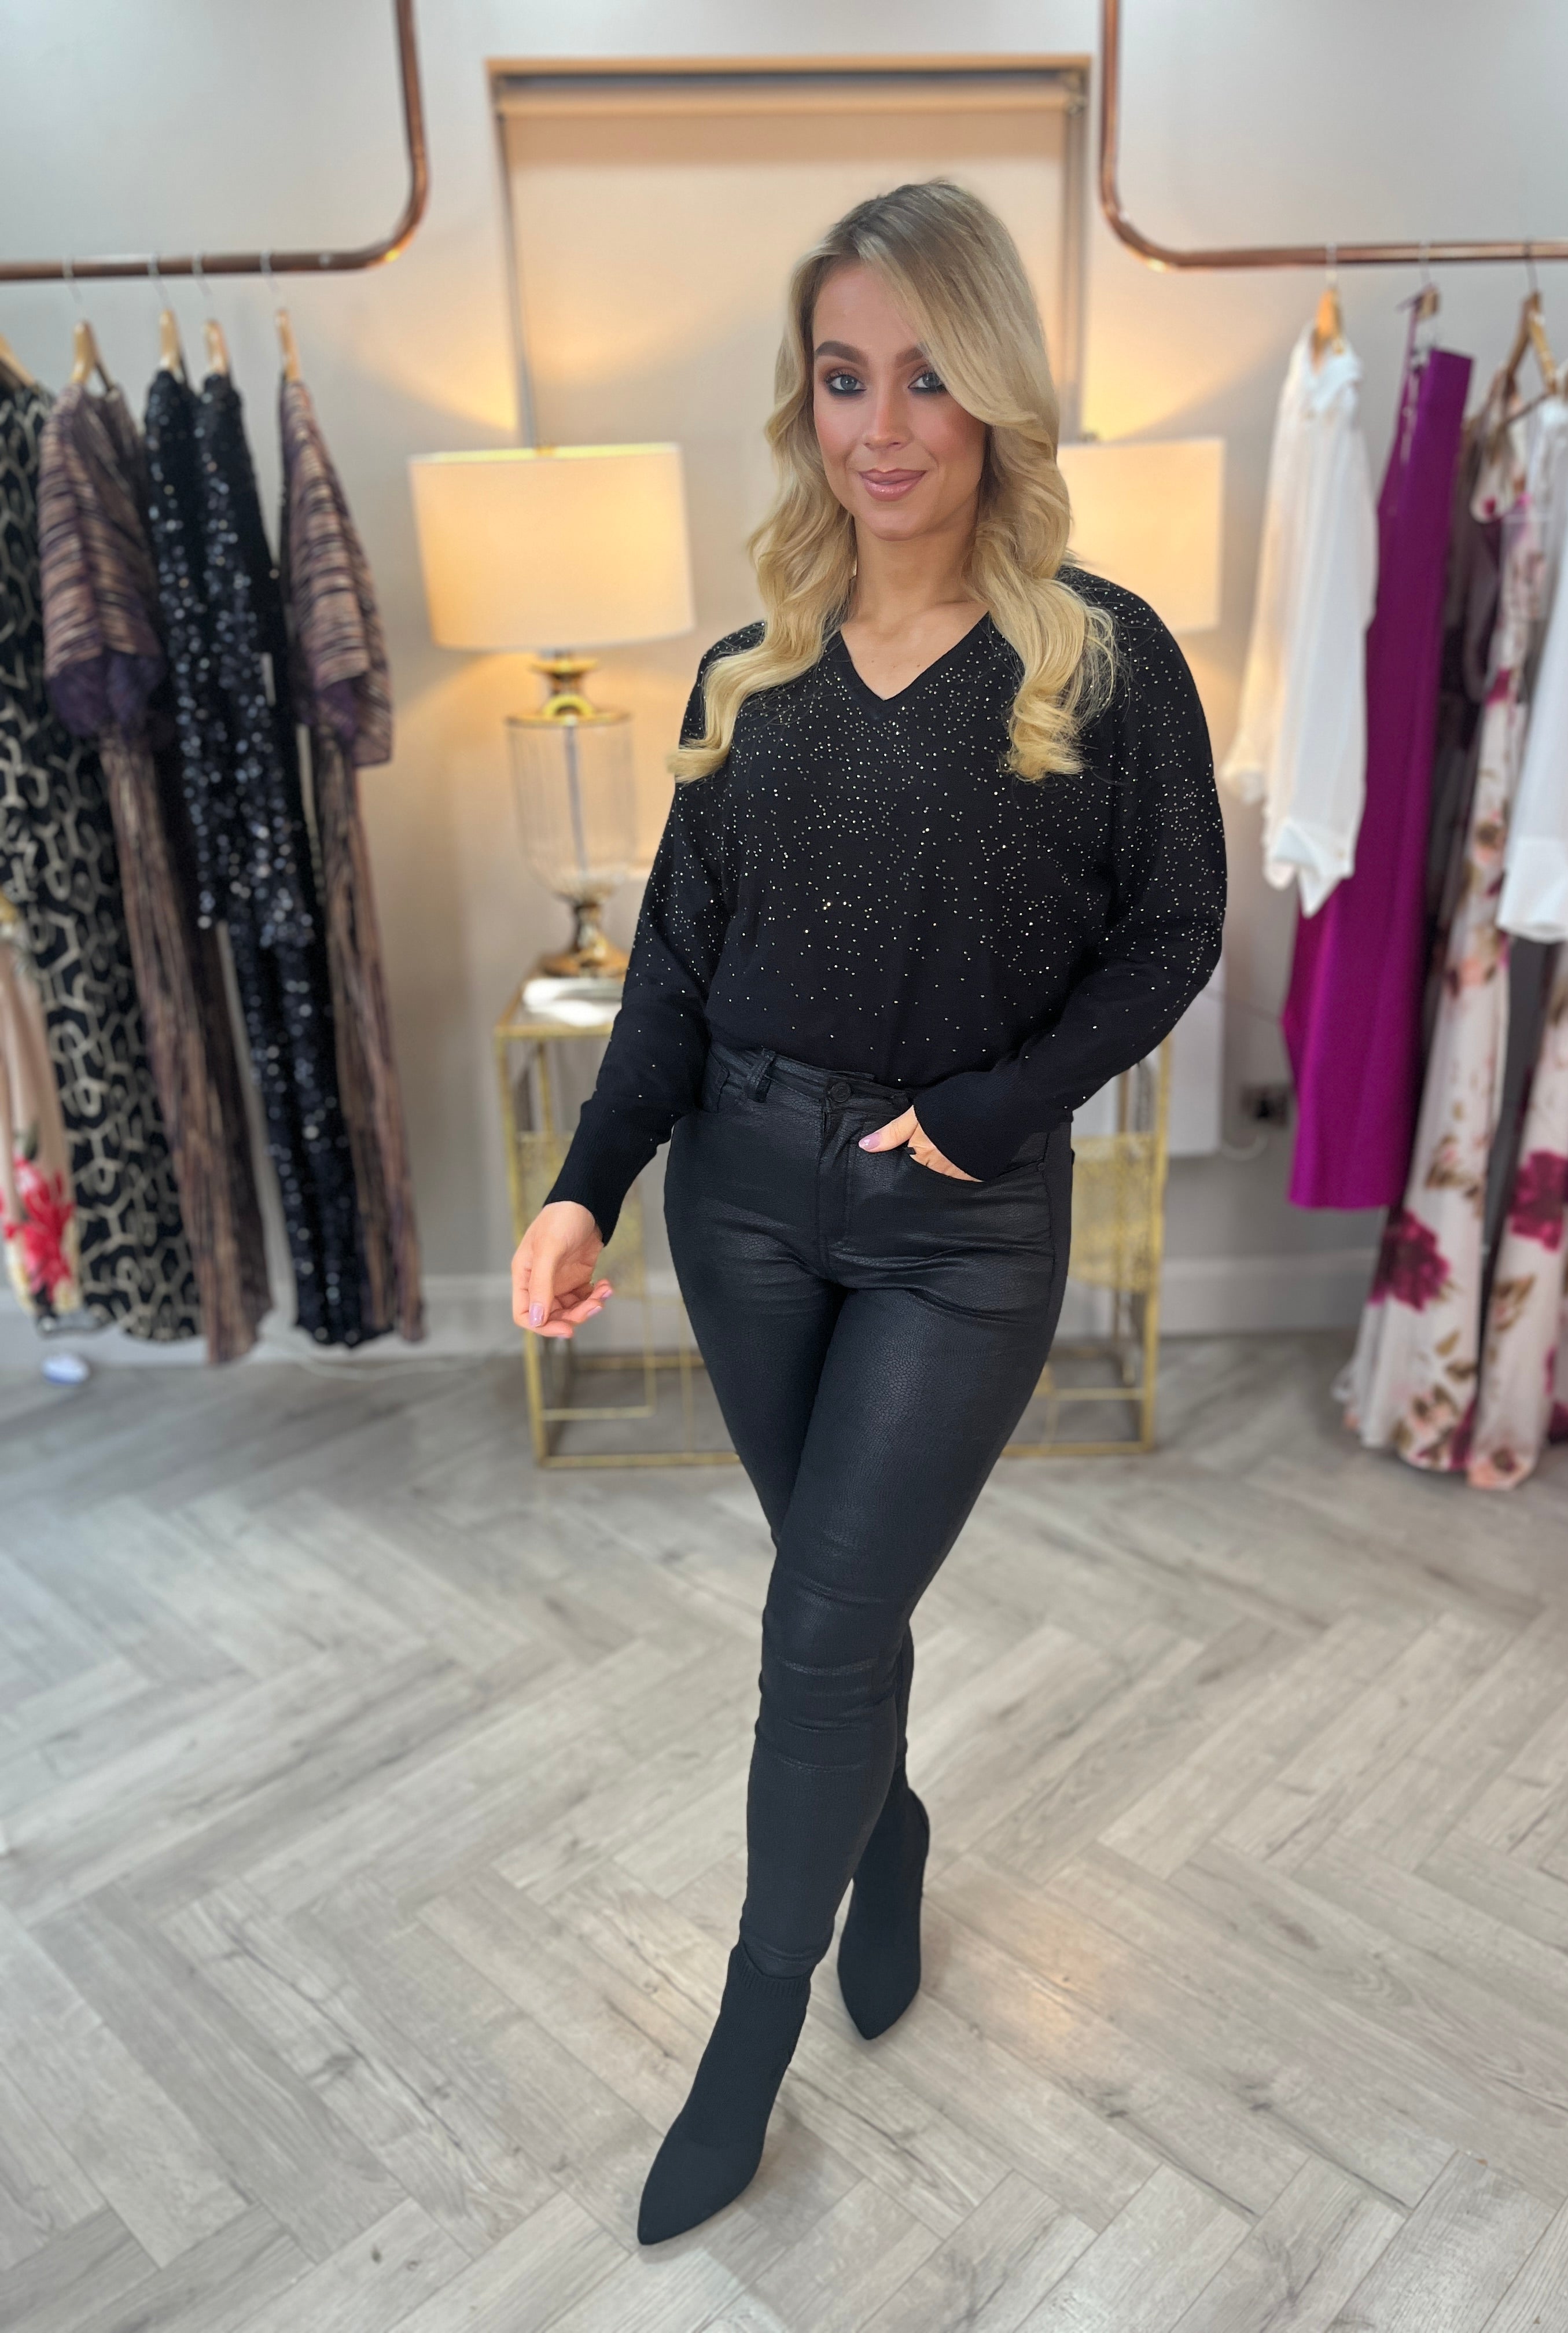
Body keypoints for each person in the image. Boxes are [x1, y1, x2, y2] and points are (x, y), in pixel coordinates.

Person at [511, 178, 1225, 2245]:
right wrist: (584, 1188)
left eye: (928, 378)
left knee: (815, 1632)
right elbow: (670, 974)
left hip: (956, 1227)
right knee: (842, 1599)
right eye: (845, 378)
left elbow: (1173, 933)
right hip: (739, 1204)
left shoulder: (1103, 661)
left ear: (995, 394)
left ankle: (746, 2044)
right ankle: (885, 1836)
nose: (884, 427)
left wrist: (983, 1120)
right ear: (803, 399)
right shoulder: (749, 676)